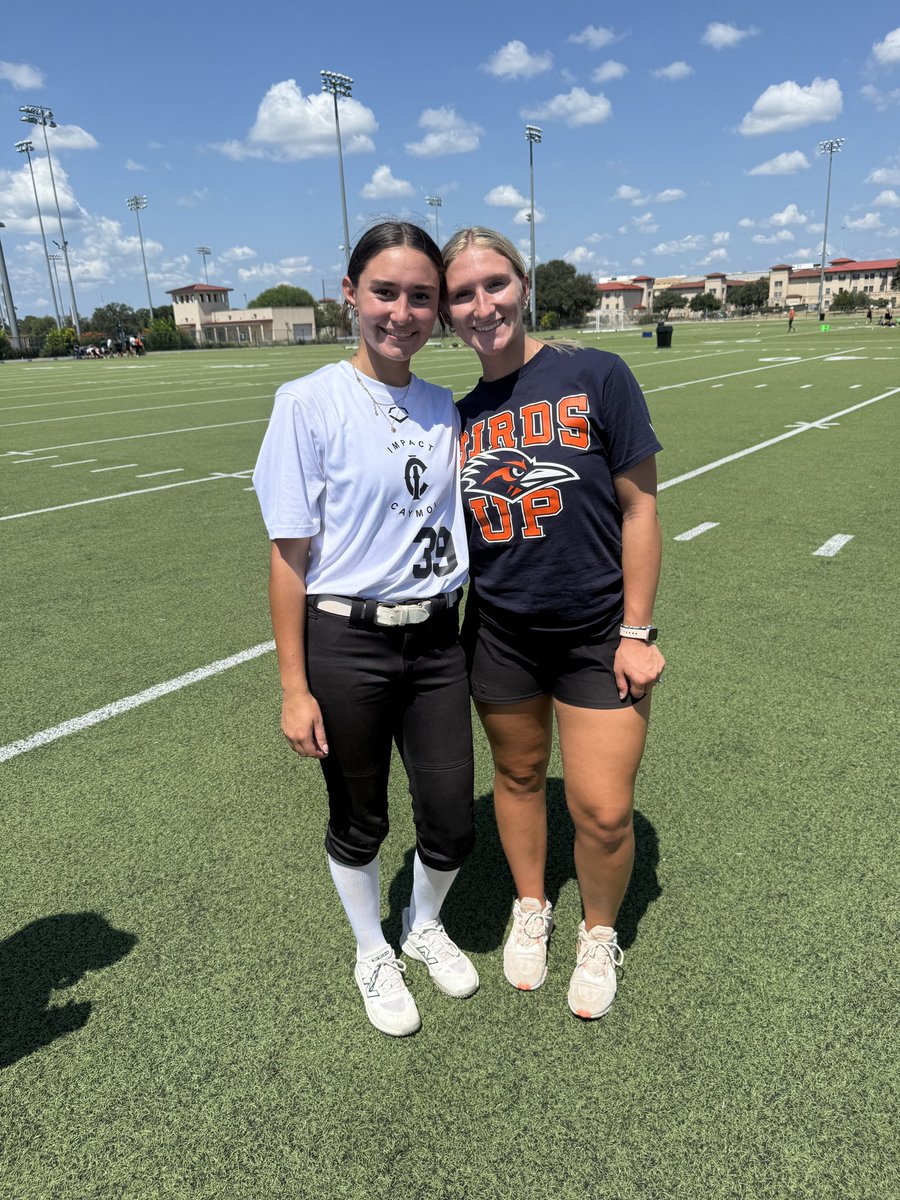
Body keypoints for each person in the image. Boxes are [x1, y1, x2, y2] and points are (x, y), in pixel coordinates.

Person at [252, 221, 478, 1038]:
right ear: (350, 293)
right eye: (385, 292)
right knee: (361, 818)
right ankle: (370, 948)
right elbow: (289, 555)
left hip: (437, 642)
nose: (402, 312)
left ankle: (422, 926)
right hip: (347, 640)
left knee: (452, 818)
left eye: (421, 296)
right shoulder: (308, 402)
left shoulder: (446, 406)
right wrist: (292, 685)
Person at [443, 227, 665, 1020]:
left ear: (523, 284)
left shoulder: (596, 373)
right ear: (447, 311)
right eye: (462, 293)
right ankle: (532, 904)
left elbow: (639, 509)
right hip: (500, 633)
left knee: (604, 809)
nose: (482, 304)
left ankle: (598, 931)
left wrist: (637, 632)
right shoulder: (455, 417)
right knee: (520, 777)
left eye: (494, 284)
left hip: (597, 631)